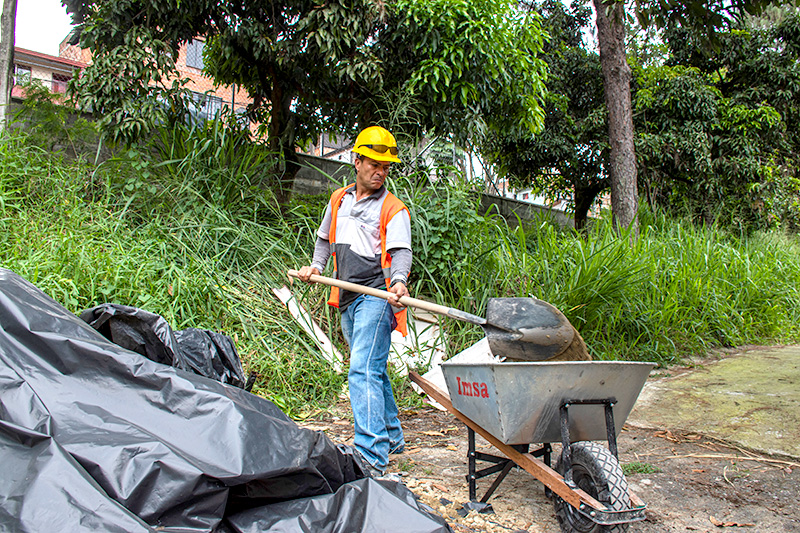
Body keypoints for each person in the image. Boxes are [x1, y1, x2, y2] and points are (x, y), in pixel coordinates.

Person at [297, 125, 411, 477]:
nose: (380, 171)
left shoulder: (394, 209)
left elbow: (401, 252)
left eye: (386, 166)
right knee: (371, 368)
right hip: (346, 296)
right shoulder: (338, 199)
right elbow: (323, 241)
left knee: (361, 368)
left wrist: (400, 282)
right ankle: (391, 436)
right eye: (374, 163)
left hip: (376, 297)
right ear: (356, 161)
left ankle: (372, 454)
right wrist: (315, 266)